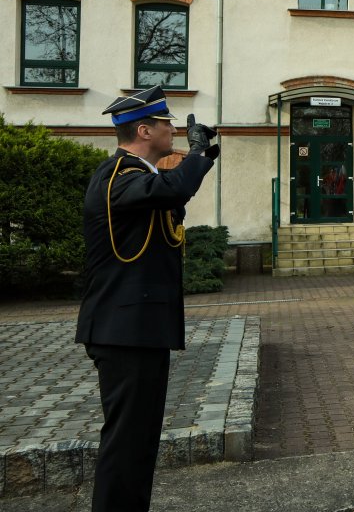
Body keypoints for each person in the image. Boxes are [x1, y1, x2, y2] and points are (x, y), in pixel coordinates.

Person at [75, 85, 219, 512]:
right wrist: (195, 156)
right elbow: (171, 191)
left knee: (139, 443)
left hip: (138, 330)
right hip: (124, 332)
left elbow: (170, 189)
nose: (173, 129)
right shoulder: (118, 176)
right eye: (166, 124)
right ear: (143, 130)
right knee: (126, 444)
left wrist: (200, 157)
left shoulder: (140, 176)